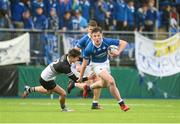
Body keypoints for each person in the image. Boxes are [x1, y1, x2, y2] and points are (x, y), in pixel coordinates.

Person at [22, 49, 93, 112]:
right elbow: (76, 80)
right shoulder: (64, 66)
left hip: (45, 75)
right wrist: (88, 77)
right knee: (63, 93)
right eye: (76, 58)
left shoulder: (67, 56)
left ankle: (29, 89)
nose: (78, 59)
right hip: (46, 79)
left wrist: (89, 59)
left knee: (48, 91)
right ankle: (64, 109)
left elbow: (80, 59)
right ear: (71, 57)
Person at [77, 27, 129, 111]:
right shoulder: (89, 48)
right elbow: (84, 65)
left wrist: (118, 52)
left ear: (102, 35)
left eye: (98, 35)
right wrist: (81, 77)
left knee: (104, 84)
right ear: (91, 37)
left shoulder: (106, 41)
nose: (97, 38)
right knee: (111, 81)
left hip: (106, 64)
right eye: (95, 36)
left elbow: (124, 43)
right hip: (96, 66)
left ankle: (88, 88)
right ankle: (122, 104)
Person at [67, 20, 102, 109]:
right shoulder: (84, 39)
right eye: (90, 29)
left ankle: (95, 103)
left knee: (98, 83)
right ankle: (95, 103)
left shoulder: (99, 38)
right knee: (94, 84)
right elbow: (74, 52)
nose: (91, 31)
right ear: (87, 29)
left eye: (93, 29)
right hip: (86, 65)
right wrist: (77, 64)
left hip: (96, 64)